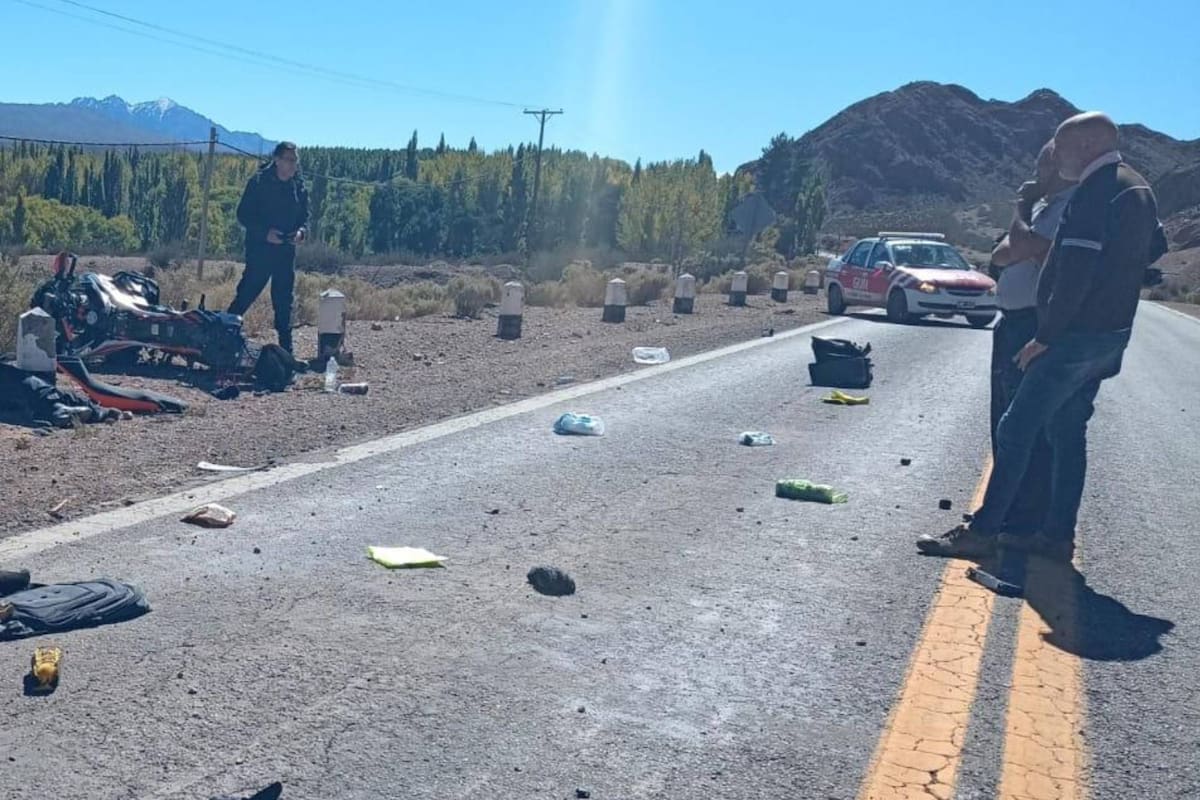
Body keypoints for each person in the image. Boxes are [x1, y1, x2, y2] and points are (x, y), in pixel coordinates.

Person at [918, 112, 1169, 561]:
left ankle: (984, 531)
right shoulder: (1137, 187)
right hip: (1110, 334)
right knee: (1067, 431)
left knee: (1015, 428)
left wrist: (1047, 335)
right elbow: (1155, 250)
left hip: (1074, 335)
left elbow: (1075, 269)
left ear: (1088, 145)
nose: (1057, 157)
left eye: (1062, 146)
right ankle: (1057, 537)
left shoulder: (1098, 190)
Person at [985, 140, 1077, 539]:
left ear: (1060, 166)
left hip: (1032, 324)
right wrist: (1022, 241)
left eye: (1042, 165)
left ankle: (1023, 517)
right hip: (1013, 321)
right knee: (1005, 419)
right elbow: (1001, 254)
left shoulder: (1067, 206)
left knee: (1022, 427)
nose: (1035, 175)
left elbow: (1018, 247)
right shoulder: (1048, 208)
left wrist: (1020, 208)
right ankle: (1009, 512)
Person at [229, 142, 309, 354]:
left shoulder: (298, 186)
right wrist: (265, 233)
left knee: (284, 302)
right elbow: (243, 215)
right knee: (245, 295)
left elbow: (305, 218)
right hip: (260, 252)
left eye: (295, 160)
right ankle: (222, 338)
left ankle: (286, 353)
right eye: (289, 160)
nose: (293, 165)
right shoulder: (259, 182)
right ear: (277, 160)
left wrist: (301, 232)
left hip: (285, 252)